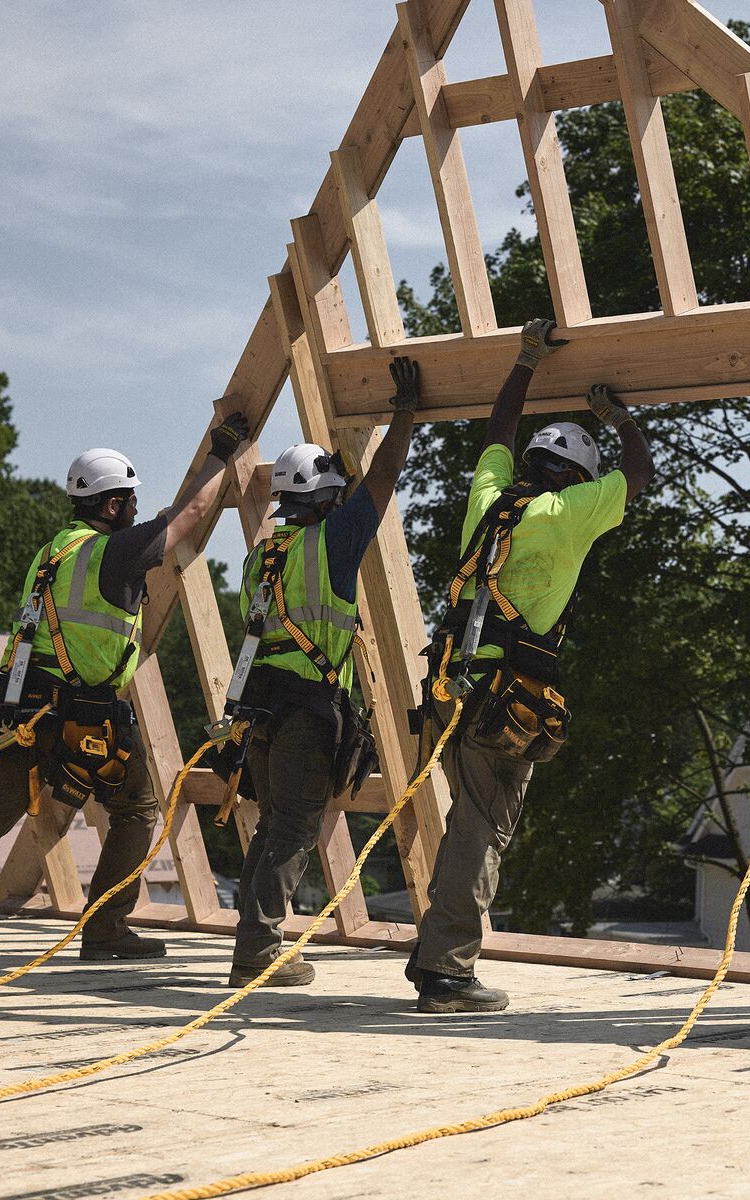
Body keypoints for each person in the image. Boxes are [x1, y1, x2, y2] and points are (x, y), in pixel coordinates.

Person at [0, 412, 251, 964]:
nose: (135, 511)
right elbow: (190, 513)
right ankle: (104, 931)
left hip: (20, 709)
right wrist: (221, 452)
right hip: (83, 714)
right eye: (129, 502)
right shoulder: (112, 553)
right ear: (112, 505)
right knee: (138, 809)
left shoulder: (54, 550)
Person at [406, 319, 653, 1013]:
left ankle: (434, 956)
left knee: (466, 826)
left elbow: (497, 432)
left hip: (452, 691)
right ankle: (448, 973)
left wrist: (525, 363)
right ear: (575, 477)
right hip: (501, 704)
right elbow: (639, 475)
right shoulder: (568, 512)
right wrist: (621, 419)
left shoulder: (488, 504)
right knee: (481, 835)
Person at [224, 358, 419, 987]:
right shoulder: (334, 540)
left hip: (259, 706)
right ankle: (259, 947)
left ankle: (253, 938)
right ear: (327, 494)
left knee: (276, 819)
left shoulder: (265, 554)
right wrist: (406, 413)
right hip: (307, 706)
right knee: (295, 824)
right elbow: (385, 477)